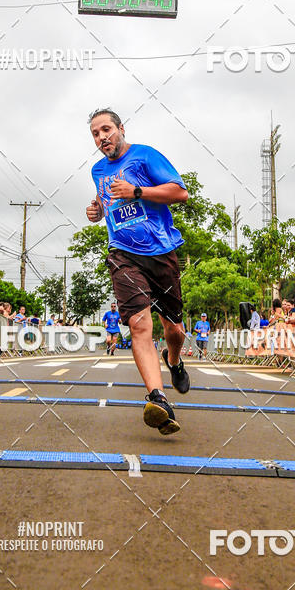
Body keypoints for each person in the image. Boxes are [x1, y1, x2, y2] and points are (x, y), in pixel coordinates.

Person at [86, 107, 189, 435]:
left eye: (106, 130)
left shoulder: (145, 156)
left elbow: (180, 193)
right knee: (138, 324)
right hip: (123, 254)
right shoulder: (97, 170)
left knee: (174, 329)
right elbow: (108, 200)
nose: (102, 137)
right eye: (95, 134)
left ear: (120, 128)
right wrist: (97, 209)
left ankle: (173, 360)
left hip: (160, 252)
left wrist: (137, 192)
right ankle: (159, 399)